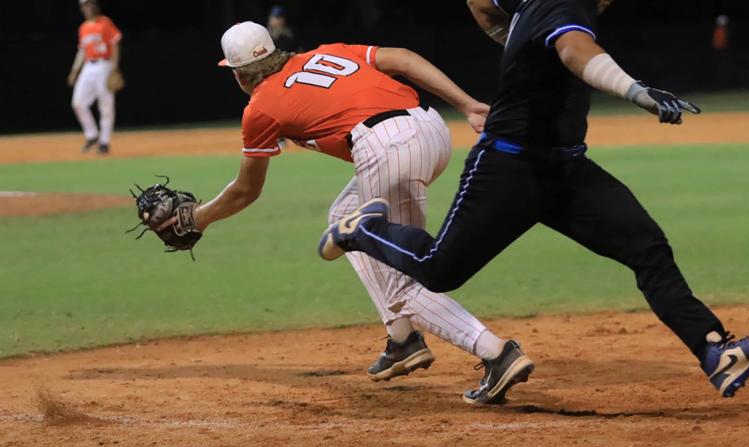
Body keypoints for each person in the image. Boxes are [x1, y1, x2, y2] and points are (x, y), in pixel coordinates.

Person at [319, 0, 749, 400]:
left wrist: (517, 44)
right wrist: (636, 91)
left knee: (647, 248)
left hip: (565, 170)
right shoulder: (567, 2)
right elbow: (578, 52)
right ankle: (363, 229)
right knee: (439, 270)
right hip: (508, 168)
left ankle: (716, 351)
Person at [187, 21, 533, 404]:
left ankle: (497, 353)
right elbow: (402, 58)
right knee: (345, 219)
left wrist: (196, 218)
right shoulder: (326, 52)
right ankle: (402, 340)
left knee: (402, 279)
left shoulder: (260, 108)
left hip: (389, 149)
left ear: (237, 75)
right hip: (431, 130)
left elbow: (246, 191)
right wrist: (467, 104)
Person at [67, 0, 122, 154]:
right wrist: (74, 70)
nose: (88, 7)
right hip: (88, 67)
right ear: (81, 8)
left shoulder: (105, 22)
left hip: (105, 65)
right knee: (78, 103)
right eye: (85, 4)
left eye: (90, 4)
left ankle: (104, 142)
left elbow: (115, 45)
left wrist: (115, 68)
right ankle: (92, 135)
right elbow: (82, 51)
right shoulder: (83, 28)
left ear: (96, 5)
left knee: (106, 106)